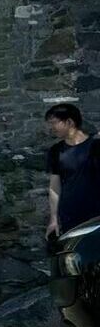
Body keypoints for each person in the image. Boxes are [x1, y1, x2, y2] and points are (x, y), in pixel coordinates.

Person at [47, 103, 100, 244]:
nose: (51, 128)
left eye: (54, 123)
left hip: (97, 212)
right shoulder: (56, 151)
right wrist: (53, 219)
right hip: (71, 215)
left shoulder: (96, 145)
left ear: (69, 122)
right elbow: (54, 187)